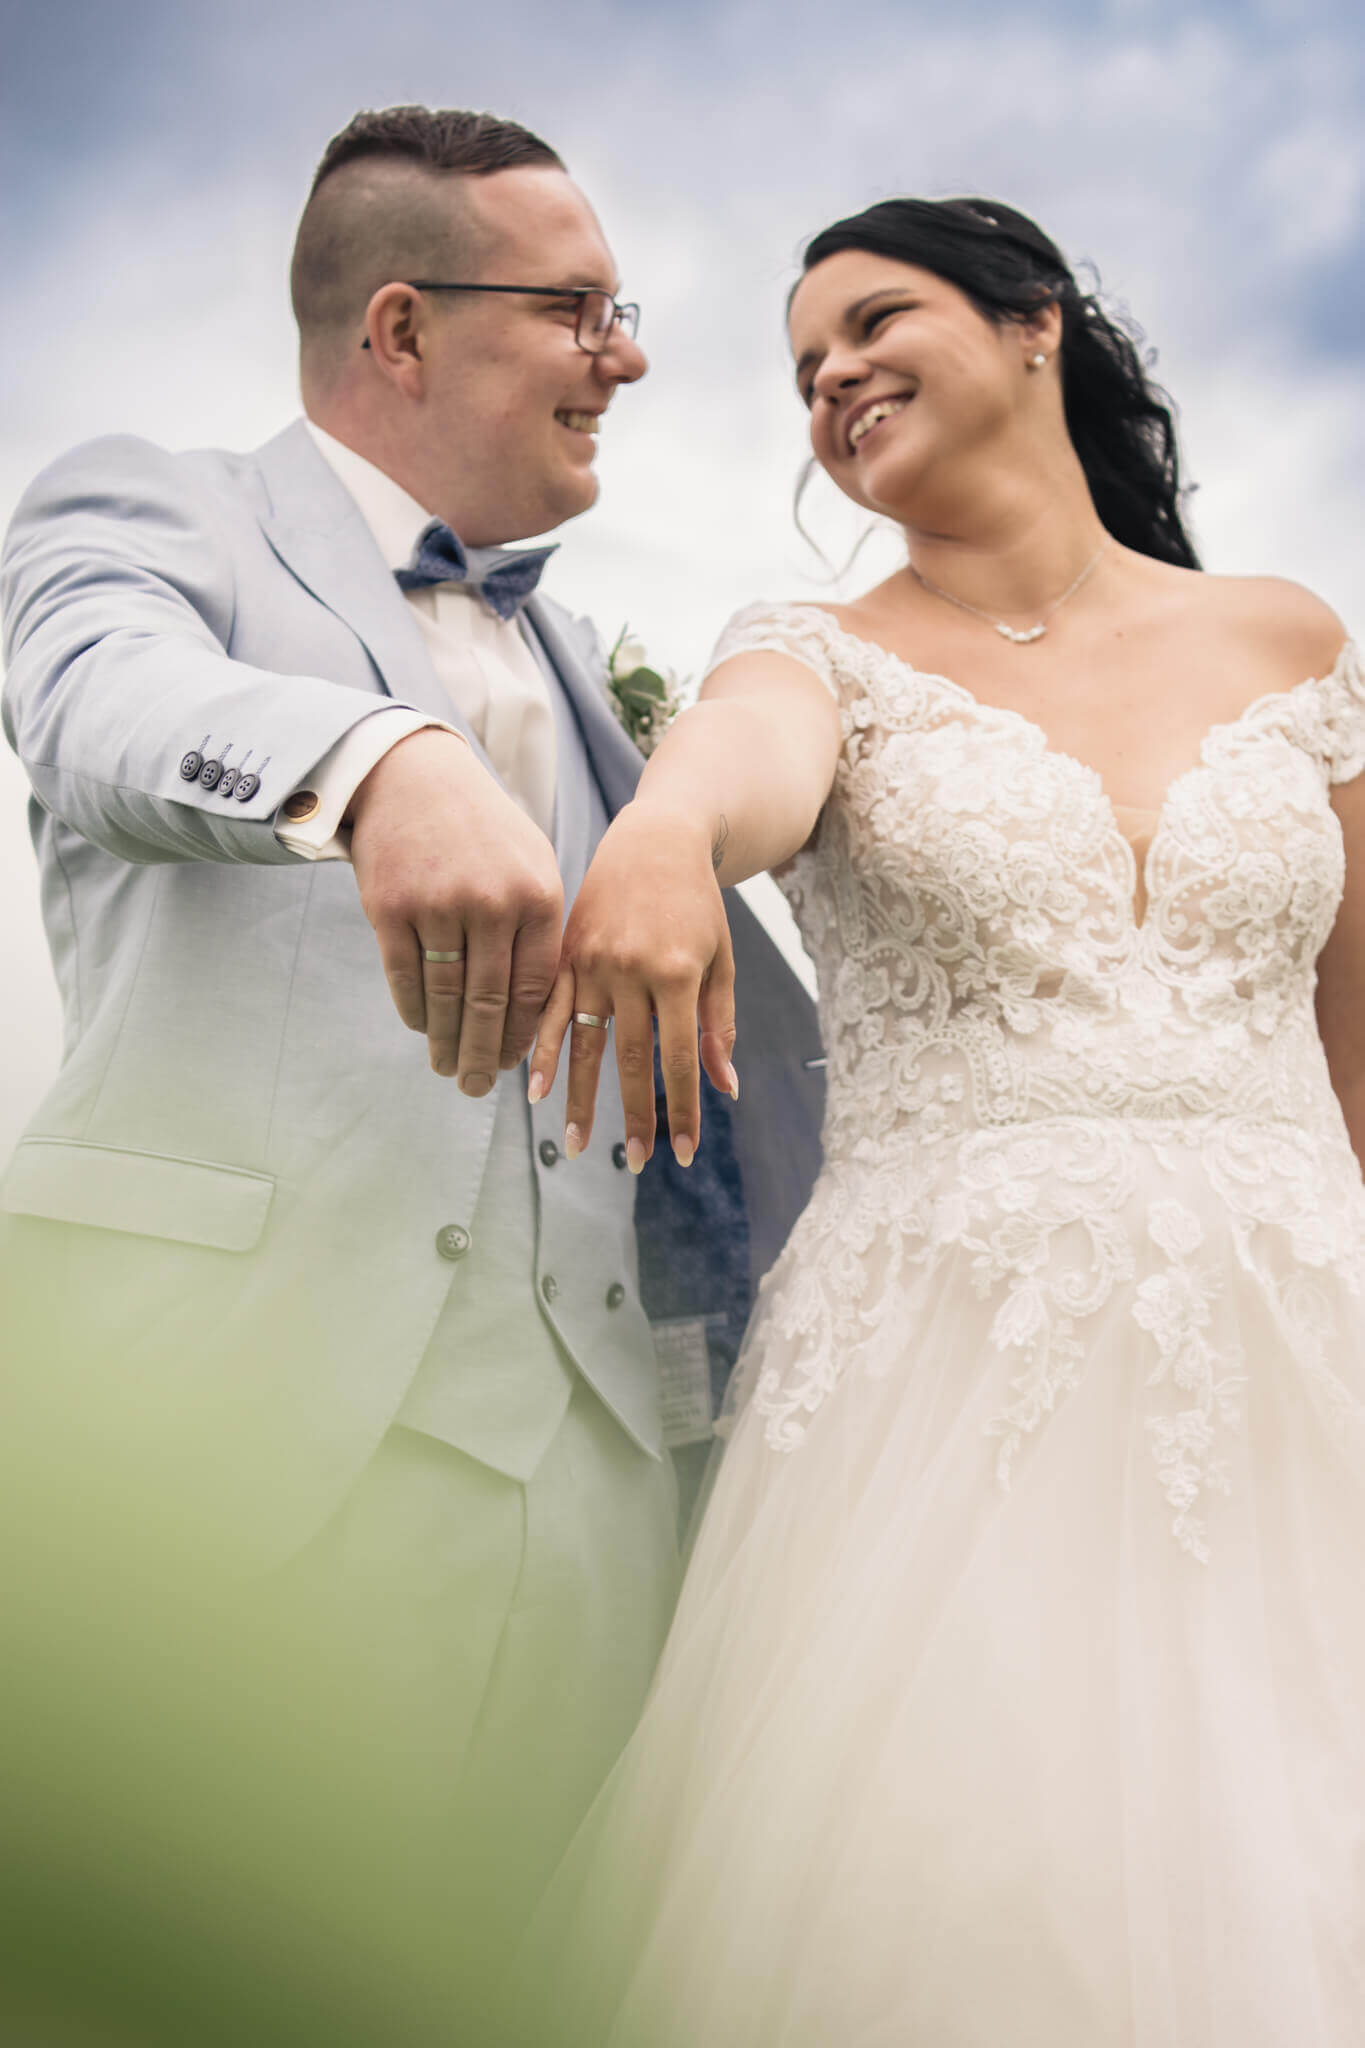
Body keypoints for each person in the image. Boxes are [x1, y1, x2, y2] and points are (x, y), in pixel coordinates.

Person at [0, 105, 823, 2034]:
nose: (625, 354)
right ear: (399, 329)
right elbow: (89, 693)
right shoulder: (158, 512)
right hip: (227, 1444)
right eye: (581, 307)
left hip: (613, 1486)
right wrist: (372, 761)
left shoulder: (604, 657)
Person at [513, 197, 1365, 2046]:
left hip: (1309, 1356)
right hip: (961, 1372)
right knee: (974, 1891)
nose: (830, 377)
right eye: (802, 368)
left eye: (872, 319)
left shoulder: (1291, 640)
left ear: (1034, 324)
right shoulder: (813, 652)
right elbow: (737, 760)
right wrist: (661, 836)